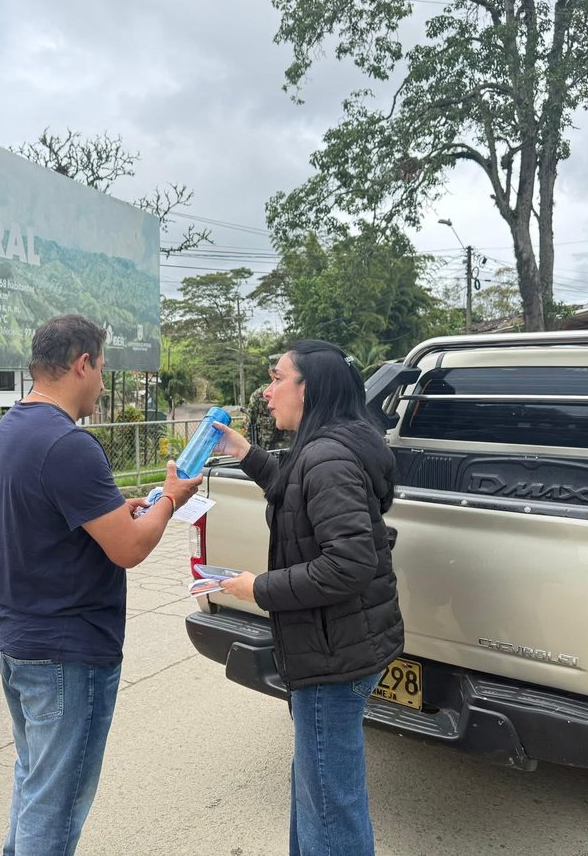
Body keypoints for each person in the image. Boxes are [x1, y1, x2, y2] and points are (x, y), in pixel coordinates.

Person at [0, 314, 201, 856]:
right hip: (66, 652)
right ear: (82, 363)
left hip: (20, 639)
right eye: (101, 369)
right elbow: (128, 548)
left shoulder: (14, 427)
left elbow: (55, 518)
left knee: (36, 785)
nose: (102, 382)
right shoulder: (69, 444)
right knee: (55, 809)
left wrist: (117, 511)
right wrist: (170, 498)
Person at [213, 340, 403, 856]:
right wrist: (242, 452)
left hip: (331, 656)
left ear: (308, 387)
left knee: (331, 807)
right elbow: (293, 487)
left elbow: (349, 564)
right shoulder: (329, 445)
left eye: (277, 378)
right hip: (337, 644)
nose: (267, 391)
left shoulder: (327, 457)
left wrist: (259, 588)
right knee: (316, 792)